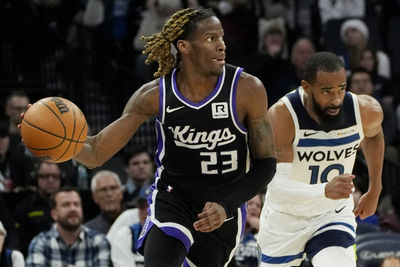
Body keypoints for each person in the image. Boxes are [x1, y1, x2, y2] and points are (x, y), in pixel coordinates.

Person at [71, 7, 276, 266]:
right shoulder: (154, 95)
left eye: (222, 37)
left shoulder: (247, 89)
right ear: (184, 46)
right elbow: (96, 152)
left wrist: (227, 205)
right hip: (173, 198)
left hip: (224, 206)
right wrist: (55, 146)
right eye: (211, 39)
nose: (222, 46)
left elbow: (267, 164)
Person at [258, 52, 384, 267]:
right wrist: (324, 190)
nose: (336, 99)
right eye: (326, 91)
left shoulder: (365, 110)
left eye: (341, 89)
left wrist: (375, 189)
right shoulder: (283, 116)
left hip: (331, 214)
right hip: (285, 218)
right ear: (306, 87)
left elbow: (373, 135)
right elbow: (276, 186)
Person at [26, 187, 112, 267]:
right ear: (54, 214)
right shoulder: (41, 243)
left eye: (76, 204)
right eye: (66, 205)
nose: (73, 209)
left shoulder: (99, 241)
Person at [13, 161, 62, 256]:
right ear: (35, 179)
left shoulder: (69, 203)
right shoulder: (24, 207)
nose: (51, 180)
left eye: (55, 176)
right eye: (45, 176)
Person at [109, 185, 151, 267]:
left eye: (150, 205)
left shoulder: (173, 234)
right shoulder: (126, 235)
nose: (145, 211)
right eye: (142, 206)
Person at [85, 170, 123, 234]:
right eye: (103, 190)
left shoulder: (136, 220)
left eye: (113, 188)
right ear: (95, 198)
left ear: (121, 193)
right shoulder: (88, 231)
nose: (109, 194)